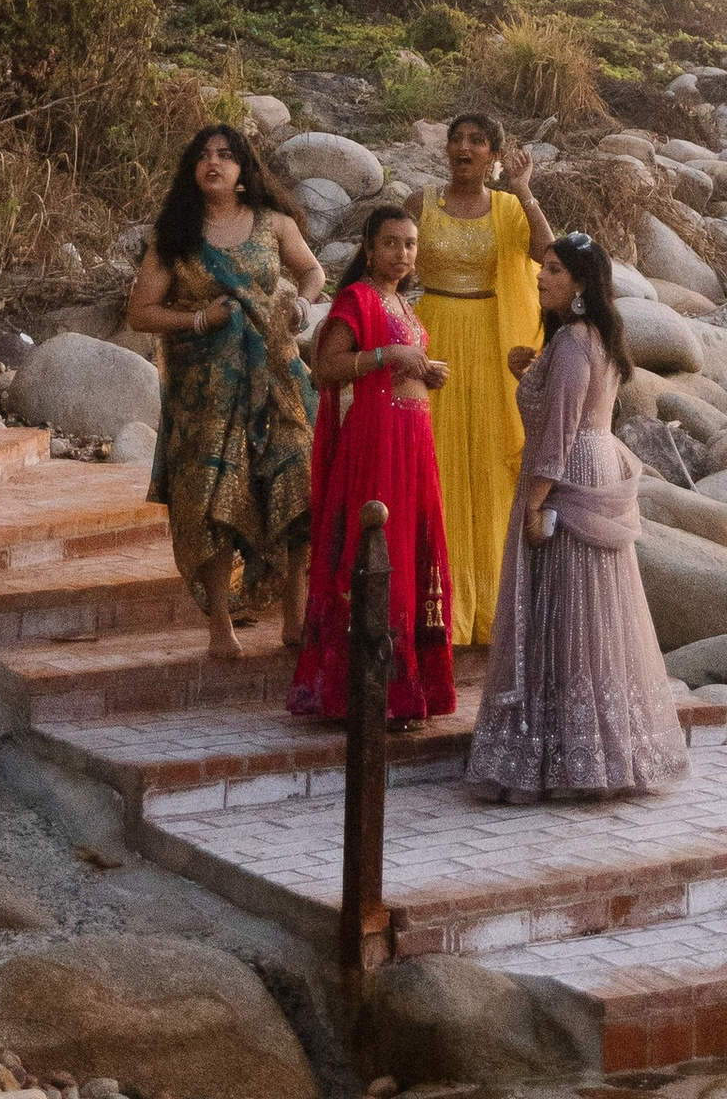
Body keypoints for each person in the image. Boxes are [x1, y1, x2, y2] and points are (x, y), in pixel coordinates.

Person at [468, 229, 689, 802]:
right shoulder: (596, 338)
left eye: (554, 271)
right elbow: (574, 406)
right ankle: (601, 748)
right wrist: (530, 374)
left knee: (563, 605)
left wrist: (537, 500)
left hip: (568, 470)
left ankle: (556, 753)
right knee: (593, 609)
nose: (541, 278)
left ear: (581, 284)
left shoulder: (571, 342)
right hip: (596, 458)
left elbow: (558, 431)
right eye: (543, 268)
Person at [126, 123, 325, 663]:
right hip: (204, 393)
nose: (213, 163)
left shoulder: (274, 223)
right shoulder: (174, 237)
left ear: (243, 171)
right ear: (193, 170)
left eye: (226, 155)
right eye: (204, 156)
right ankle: (220, 624)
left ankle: (295, 616)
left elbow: (312, 271)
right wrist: (197, 318)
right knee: (212, 498)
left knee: (295, 482)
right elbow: (140, 311)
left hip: (277, 379)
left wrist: (303, 304)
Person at [290, 200, 457, 728]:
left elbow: (397, 364)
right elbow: (325, 367)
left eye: (410, 244)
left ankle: (404, 689)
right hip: (376, 443)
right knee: (379, 556)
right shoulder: (358, 298)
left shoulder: (403, 305)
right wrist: (388, 358)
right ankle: (365, 691)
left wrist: (423, 373)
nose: (402, 253)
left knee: (408, 554)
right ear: (368, 248)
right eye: (391, 243)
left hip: (412, 440)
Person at [416, 109, 554, 643]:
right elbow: (385, 261)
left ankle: (488, 606)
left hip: (491, 344)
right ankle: (432, 604)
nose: (464, 148)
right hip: (431, 335)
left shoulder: (507, 207)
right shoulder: (420, 204)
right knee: (432, 457)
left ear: (495, 155)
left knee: (488, 464)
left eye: (477, 141)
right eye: (457, 139)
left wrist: (524, 190)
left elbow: (545, 255)